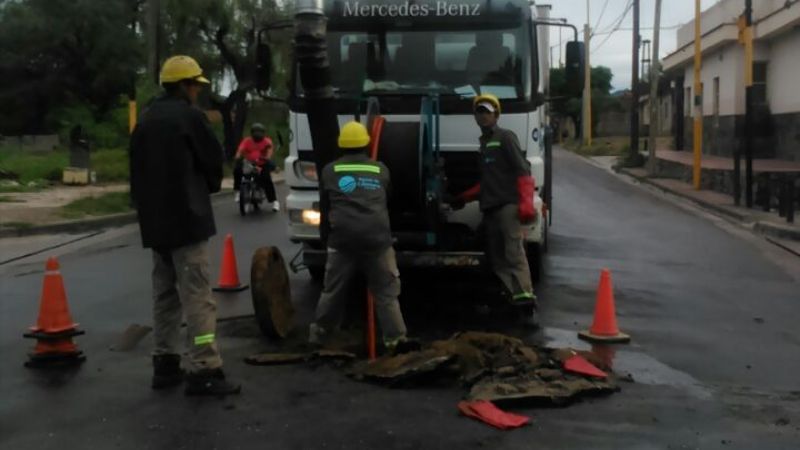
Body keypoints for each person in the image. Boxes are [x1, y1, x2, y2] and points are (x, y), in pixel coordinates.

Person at [129, 55, 240, 396]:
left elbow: (135, 173)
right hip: (187, 221)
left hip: (155, 224)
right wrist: (206, 185)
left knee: (164, 295)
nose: (197, 91)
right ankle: (205, 367)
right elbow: (212, 162)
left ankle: (165, 363)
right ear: (184, 86)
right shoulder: (190, 117)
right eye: (195, 85)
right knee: (197, 298)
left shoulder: (145, 119)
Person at [308, 121, 412, 352]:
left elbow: (326, 202)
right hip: (377, 239)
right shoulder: (380, 170)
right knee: (386, 292)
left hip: (342, 240)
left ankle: (320, 335)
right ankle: (396, 341)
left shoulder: (330, 171)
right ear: (366, 144)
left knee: (332, 290)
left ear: (341, 146)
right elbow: (389, 196)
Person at [450, 94, 538, 322]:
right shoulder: (485, 143)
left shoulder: (505, 137)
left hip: (508, 206)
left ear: (496, 115)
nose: (483, 115)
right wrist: (464, 198)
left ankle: (526, 301)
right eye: (479, 111)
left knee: (513, 253)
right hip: (490, 209)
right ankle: (514, 297)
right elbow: (488, 182)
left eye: (487, 111)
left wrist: (526, 203)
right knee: (497, 258)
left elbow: (523, 170)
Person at [233, 123, 279, 212]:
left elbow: (269, 151)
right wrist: (237, 156)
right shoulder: (247, 141)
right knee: (237, 170)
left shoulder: (267, 141)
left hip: (262, 163)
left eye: (260, 132)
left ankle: (274, 201)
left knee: (266, 179)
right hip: (249, 162)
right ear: (252, 133)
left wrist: (267, 158)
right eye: (255, 132)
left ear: (263, 133)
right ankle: (238, 191)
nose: (257, 134)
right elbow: (240, 149)